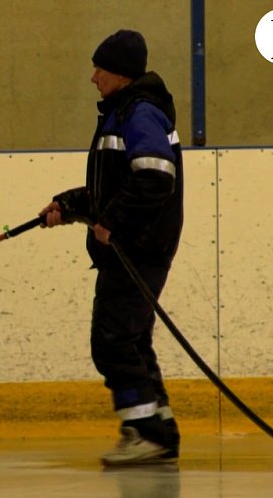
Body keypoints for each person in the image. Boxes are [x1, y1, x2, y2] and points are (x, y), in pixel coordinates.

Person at [40, 29, 184, 465]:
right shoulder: (126, 113)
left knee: (113, 341)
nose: (92, 77)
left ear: (119, 73)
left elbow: (155, 177)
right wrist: (71, 204)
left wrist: (111, 222)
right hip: (136, 245)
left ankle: (146, 433)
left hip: (136, 249)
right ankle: (157, 427)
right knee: (132, 340)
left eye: (99, 68)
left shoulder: (138, 113)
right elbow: (118, 185)